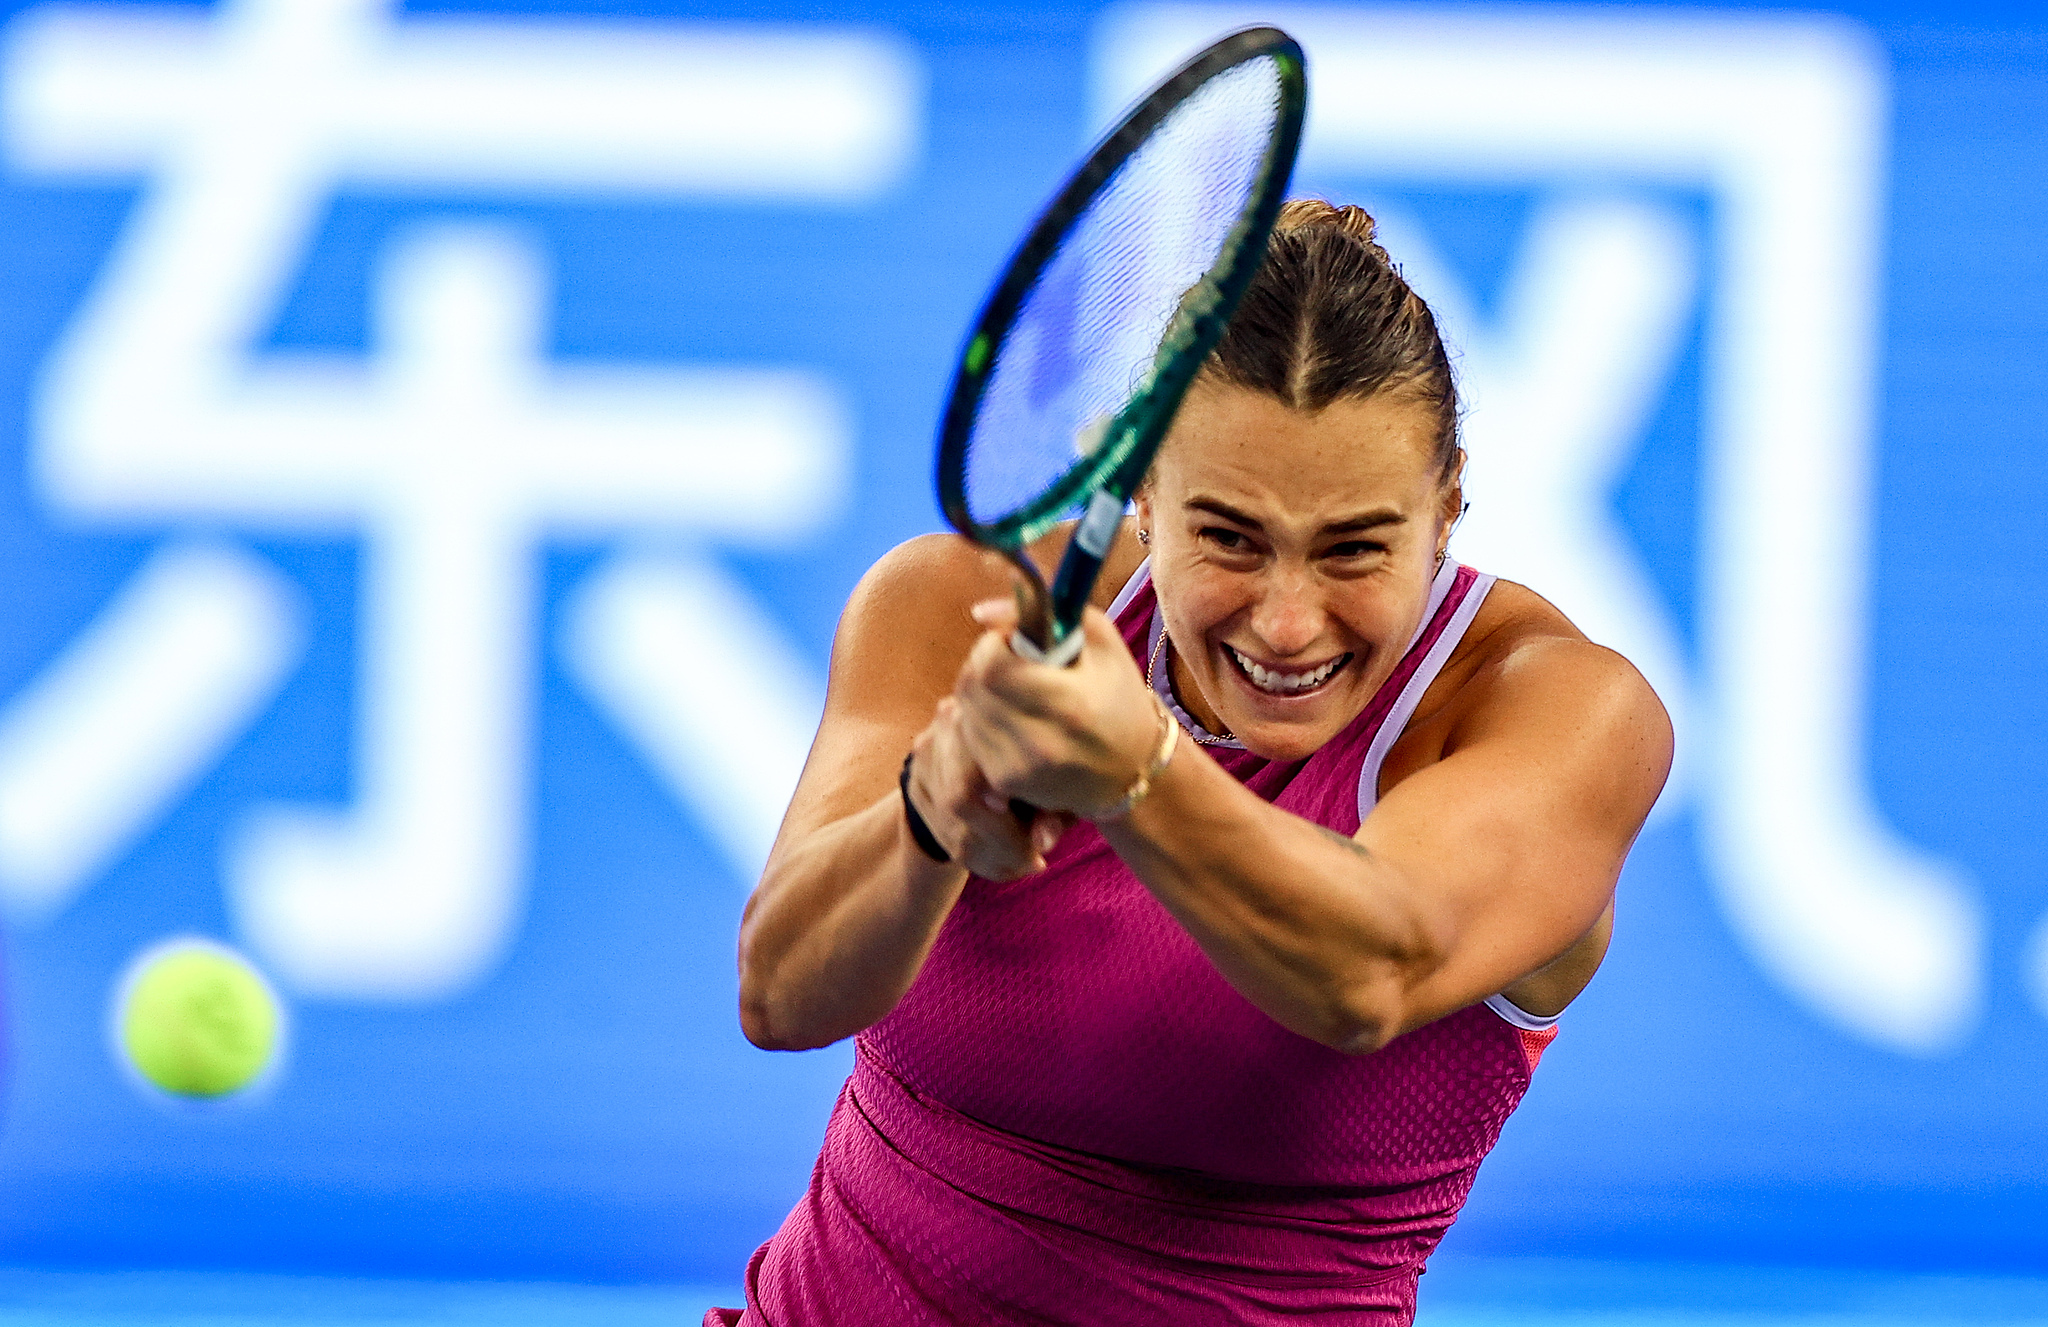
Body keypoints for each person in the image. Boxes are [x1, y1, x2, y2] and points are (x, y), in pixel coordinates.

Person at [709, 200, 1672, 1326]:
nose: (1285, 622)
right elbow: (778, 991)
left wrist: (1134, 771)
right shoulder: (955, 606)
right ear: (1140, 487)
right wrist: (931, 807)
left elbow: (1368, 972)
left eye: (1353, 549)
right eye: (1228, 538)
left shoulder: (1561, 711)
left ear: (1447, 503)